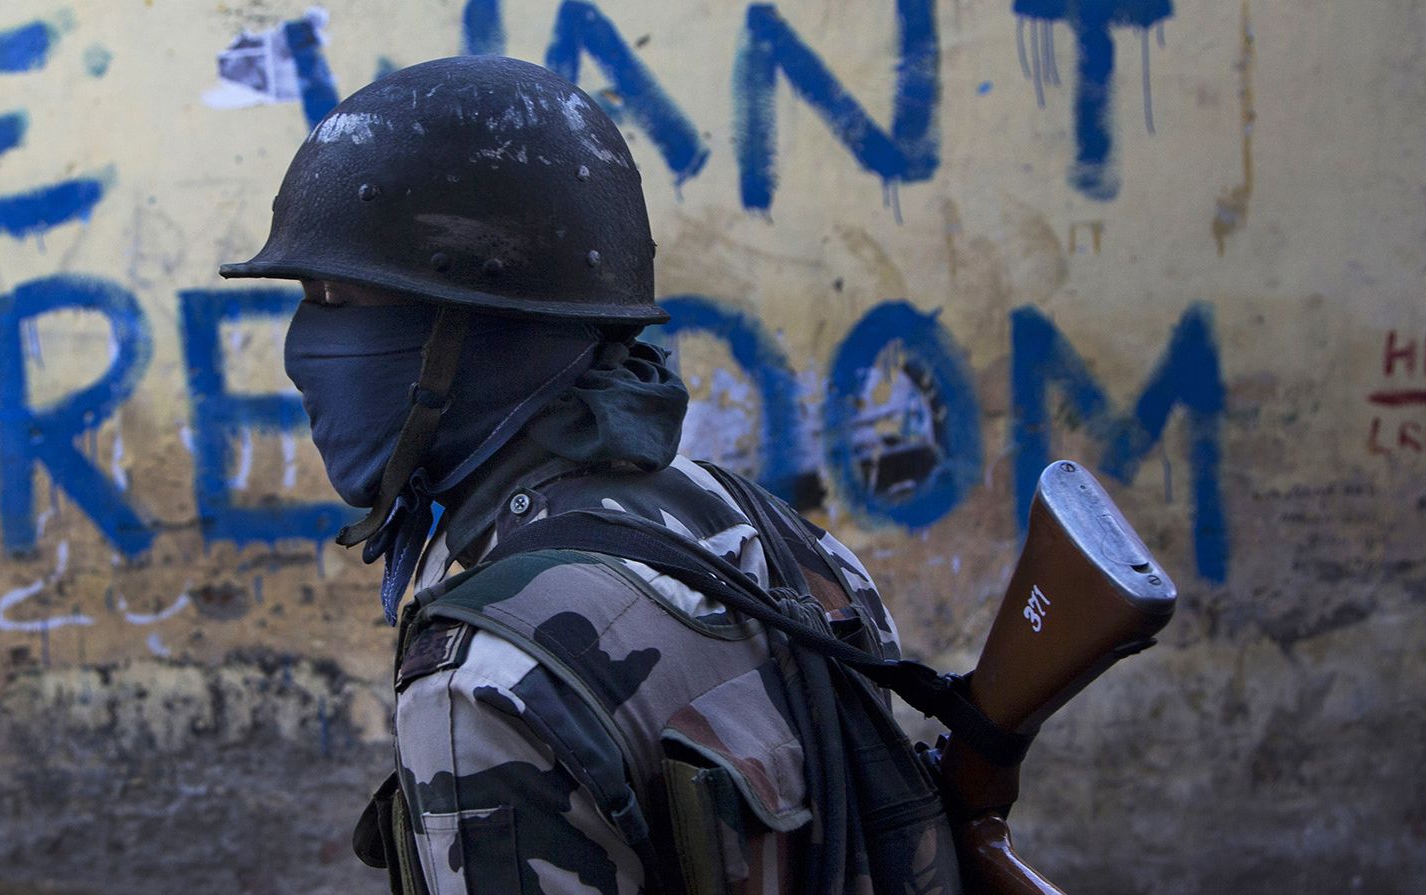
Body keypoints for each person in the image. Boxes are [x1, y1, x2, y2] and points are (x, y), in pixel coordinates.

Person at [222, 55, 960, 894]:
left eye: (339, 303)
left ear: (480, 334)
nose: (301, 352)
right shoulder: (773, 534)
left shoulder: (485, 677)